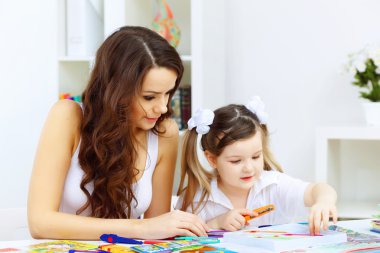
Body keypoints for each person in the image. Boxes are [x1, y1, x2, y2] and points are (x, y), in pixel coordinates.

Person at [28, 26, 209, 240]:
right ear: (115, 91)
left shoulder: (164, 133)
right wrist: (140, 228)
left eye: (168, 93)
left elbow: (159, 229)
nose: (162, 107)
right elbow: (40, 222)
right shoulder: (68, 116)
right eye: (149, 97)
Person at [176, 96, 338, 235]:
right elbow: (180, 241)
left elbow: (319, 189)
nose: (249, 168)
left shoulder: (273, 185)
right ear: (212, 159)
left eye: (255, 156)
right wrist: (217, 223)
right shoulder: (196, 199)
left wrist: (323, 201)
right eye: (236, 161)